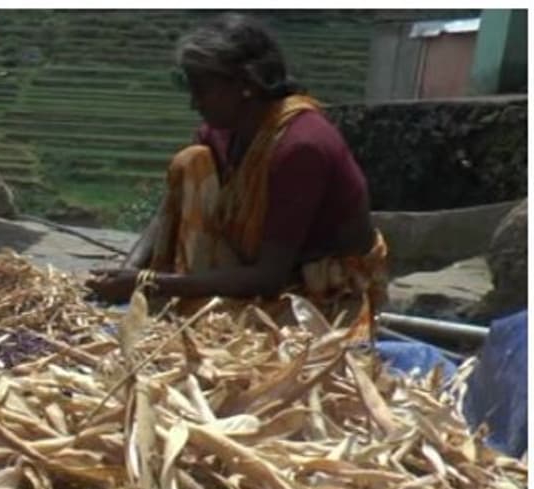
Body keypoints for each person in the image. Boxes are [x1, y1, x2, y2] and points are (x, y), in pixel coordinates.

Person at [85, 13, 387, 336]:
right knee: (191, 162)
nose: (193, 103)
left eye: (202, 90)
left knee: (211, 330)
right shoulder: (225, 132)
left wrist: (150, 284)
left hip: (315, 290)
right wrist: (128, 272)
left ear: (245, 85)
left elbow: (269, 276)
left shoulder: (301, 147)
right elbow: (168, 209)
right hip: (255, 269)